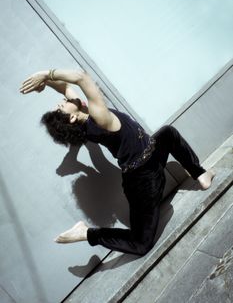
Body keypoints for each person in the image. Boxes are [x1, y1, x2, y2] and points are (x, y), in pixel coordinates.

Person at [20, 68, 215, 256]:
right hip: (144, 181)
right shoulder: (99, 118)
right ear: (72, 116)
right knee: (141, 244)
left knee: (167, 133)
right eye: (62, 104)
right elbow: (81, 78)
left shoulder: (85, 115)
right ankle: (87, 233)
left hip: (152, 154)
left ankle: (200, 173)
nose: (63, 99)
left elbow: (65, 87)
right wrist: (45, 73)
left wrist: (45, 82)